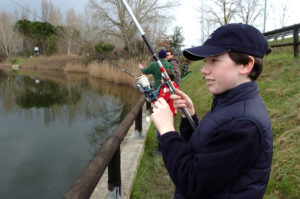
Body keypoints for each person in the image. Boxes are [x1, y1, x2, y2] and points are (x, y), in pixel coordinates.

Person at [150, 23, 273, 199]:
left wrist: (167, 132)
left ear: (246, 65)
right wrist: (189, 117)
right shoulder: (229, 104)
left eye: (214, 60)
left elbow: (192, 182)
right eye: (206, 61)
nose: (204, 69)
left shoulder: (244, 124)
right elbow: (206, 151)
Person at [156, 69, 179, 154]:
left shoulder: (167, 89)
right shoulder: (171, 86)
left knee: (161, 133)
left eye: (162, 78)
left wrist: (153, 98)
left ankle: (161, 150)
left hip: (165, 114)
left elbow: (160, 101)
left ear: (166, 79)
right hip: (169, 113)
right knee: (166, 131)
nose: (161, 80)